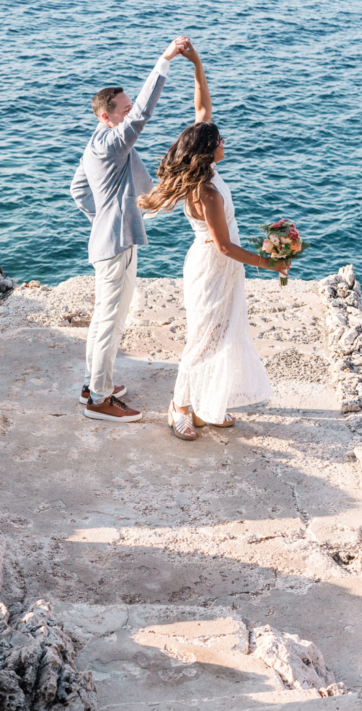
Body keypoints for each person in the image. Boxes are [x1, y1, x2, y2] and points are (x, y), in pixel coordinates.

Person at [137, 43, 285, 440]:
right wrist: (270, 263)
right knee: (204, 339)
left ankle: (208, 405)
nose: (224, 143)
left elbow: (203, 112)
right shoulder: (208, 192)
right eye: (220, 140)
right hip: (214, 268)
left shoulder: (203, 172)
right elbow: (224, 246)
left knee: (223, 334)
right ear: (208, 151)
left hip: (217, 266)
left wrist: (197, 65)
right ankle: (179, 407)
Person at [70, 36, 194, 422]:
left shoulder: (95, 143)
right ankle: (100, 401)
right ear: (107, 116)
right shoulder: (113, 142)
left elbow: (77, 190)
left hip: (109, 240)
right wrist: (165, 60)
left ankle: (94, 385)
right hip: (116, 246)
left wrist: (106, 216)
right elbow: (143, 112)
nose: (129, 114)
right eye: (122, 110)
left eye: (126, 109)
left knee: (106, 319)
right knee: (110, 321)